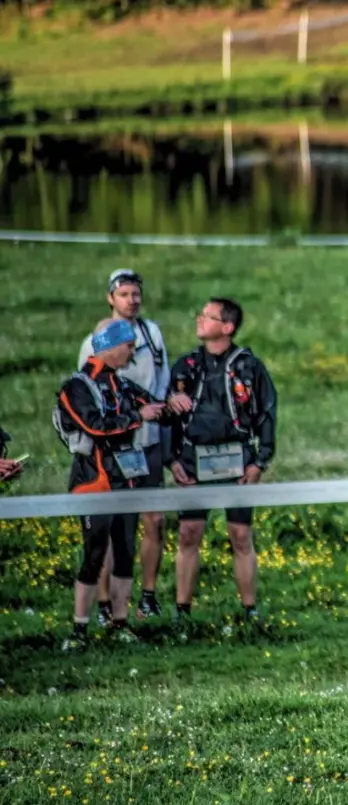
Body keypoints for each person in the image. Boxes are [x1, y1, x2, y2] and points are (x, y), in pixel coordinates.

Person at [77, 269, 187, 620]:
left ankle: (148, 596)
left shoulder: (152, 333)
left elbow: (164, 380)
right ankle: (107, 604)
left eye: (136, 293)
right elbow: (88, 394)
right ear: (111, 298)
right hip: (116, 447)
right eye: (124, 294)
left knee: (153, 519)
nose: (132, 299)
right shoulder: (95, 339)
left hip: (150, 442)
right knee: (112, 526)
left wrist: (171, 406)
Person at [55, 319, 168, 642]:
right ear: (110, 346)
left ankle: (120, 623)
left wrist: (170, 405)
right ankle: (79, 628)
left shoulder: (121, 382)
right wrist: (137, 418)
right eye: (129, 346)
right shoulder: (76, 386)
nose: (133, 353)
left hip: (125, 478)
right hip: (92, 479)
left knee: (124, 550)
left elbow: (150, 404)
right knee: (94, 553)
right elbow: (96, 427)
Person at [167, 298, 277, 620]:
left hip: (237, 459)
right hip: (192, 459)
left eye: (208, 316)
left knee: (241, 535)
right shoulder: (185, 367)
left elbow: (267, 413)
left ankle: (249, 611)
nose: (199, 320)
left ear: (227, 327)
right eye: (199, 314)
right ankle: (182, 611)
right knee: (189, 532)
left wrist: (260, 461)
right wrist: (172, 460)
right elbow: (168, 417)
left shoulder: (249, 367)